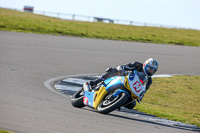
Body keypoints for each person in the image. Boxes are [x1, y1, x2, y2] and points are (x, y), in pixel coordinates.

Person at [89, 58, 159, 108]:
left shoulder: (149, 81)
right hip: (123, 78)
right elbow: (122, 67)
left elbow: (144, 91)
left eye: (153, 70)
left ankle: (115, 103)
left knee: (132, 104)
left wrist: (140, 97)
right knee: (112, 71)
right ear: (145, 65)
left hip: (131, 88)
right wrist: (122, 70)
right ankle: (96, 81)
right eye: (149, 69)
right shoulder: (137, 65)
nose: (150, 71)